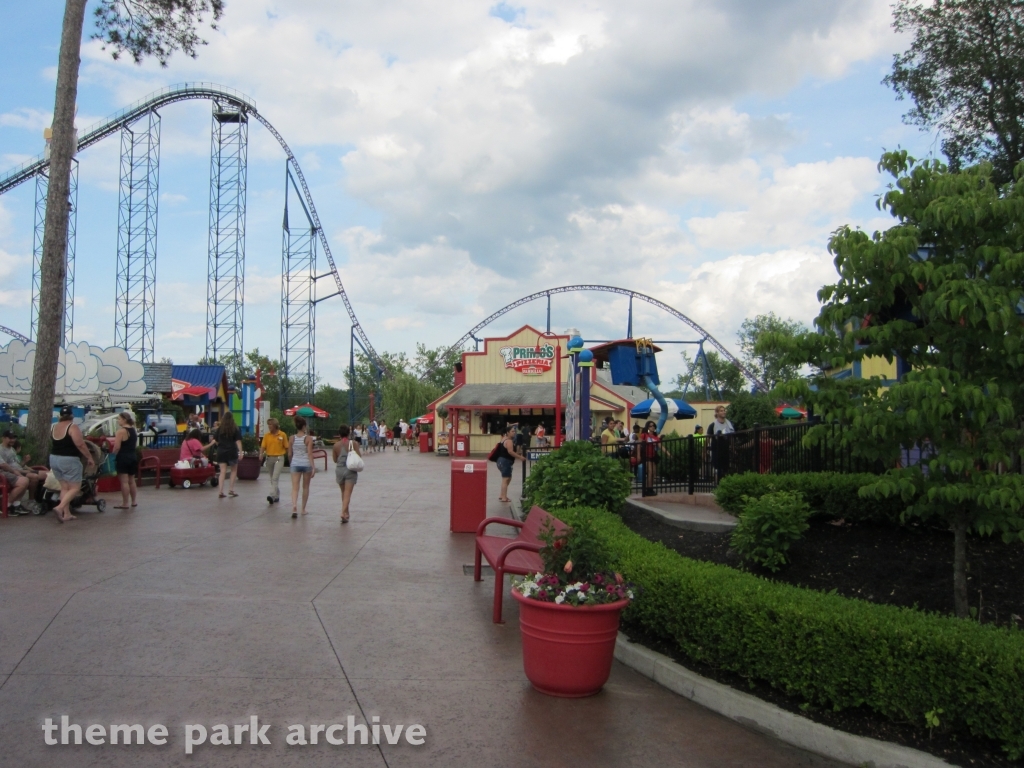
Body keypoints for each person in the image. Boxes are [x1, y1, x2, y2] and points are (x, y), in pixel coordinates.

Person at [49, 404, 96, 522]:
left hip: (54, 458)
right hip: (69, 459)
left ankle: (67, 513)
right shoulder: (72, 427)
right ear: (72, 416)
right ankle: (59, 508)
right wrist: (89, 457)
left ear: (60, 416)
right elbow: (80, 444)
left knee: (64, 487)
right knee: (75, 487)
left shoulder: (54, 427)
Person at [0, 430, 45, 513]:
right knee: (30, 478)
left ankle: (17, 505)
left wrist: (24, 461)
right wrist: (15, 471)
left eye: (13, 438)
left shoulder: (12, 449)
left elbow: (17, 464)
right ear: (3, 438)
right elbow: (3, 465)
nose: (13, 440)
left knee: (45, 474)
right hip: (6, 473)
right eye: (10, 438)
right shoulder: (1, 449)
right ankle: (7, 506)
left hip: (18, 470)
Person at [110, 412, 139, 509]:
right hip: (132, 456)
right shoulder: (133, 430)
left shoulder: (121, 431)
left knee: (124, 481)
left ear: (124, 420)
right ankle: (134, 501)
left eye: (119, 419)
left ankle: (125, 503)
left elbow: (117, 446)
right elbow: (134, 445)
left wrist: (112, 455)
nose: (118, 421)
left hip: (123, 457)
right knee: (132, 480)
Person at [209, 413, 243, 498]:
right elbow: (238, 441)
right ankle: (231, 489)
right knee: (234, 470)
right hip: (232, 451)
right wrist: (241, 452)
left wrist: (219, 445)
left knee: (222, 471)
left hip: (221, 451)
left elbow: (216, 440)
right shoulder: (235, 428)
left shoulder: (220, 428)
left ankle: (220, 491)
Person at [288, 415, 316, 518]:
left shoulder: (291, 438)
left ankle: (294, 506)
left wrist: (292, 463)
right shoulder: (308, 438)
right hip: (306, 464)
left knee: (295, 487)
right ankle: (303, 509)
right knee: (305, 487)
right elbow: (309, 453)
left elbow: (289, 453)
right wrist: (313, 467)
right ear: (304, 426)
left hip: (295, 463)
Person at [332, 424, 361, 524]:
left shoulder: (336, 445)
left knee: (343, 492)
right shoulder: (353, 444)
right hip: (350, 470)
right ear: (349, 433)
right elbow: (359, 456)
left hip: (339, 470)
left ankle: (346, 513)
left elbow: (335, 460)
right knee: (348, 493)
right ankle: (343, 512)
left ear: (339, 434)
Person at [260, 418, 288, 504]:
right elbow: (263, 446)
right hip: (269, 458)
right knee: (272, 479)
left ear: (275, 425)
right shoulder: (267, 435)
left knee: (275, 477)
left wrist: (287, 455)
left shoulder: (282, 435)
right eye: (268, 424)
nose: (269, 426)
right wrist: (261, 454)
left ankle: (271, 495)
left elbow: (286, 446)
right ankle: (277, 494)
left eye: (271, 424)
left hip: (279, 458)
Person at [495, 424, 525, 503]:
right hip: (505, 461)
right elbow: (510, 452)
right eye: (512, 431)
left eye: (514, 431)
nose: (514, 433)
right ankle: (504, 497)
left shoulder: (503, 439)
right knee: (506, 479)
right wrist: (520, 457)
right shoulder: (509, 441)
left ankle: (502, 495)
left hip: (500, 461)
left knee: (507, 478)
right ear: (507, 432)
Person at [707, 405, 735, 479]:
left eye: (724, 410)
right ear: (717, 413)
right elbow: (708, 438)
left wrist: (732, 447)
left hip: (725, 450)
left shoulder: (729, 424)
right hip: (716, 450)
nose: (723, 412)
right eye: (721, 411)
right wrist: (704, 451)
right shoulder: (713, 425)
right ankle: (718, 485)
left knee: (725, 468)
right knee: (718, 469)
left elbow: (731, 437)